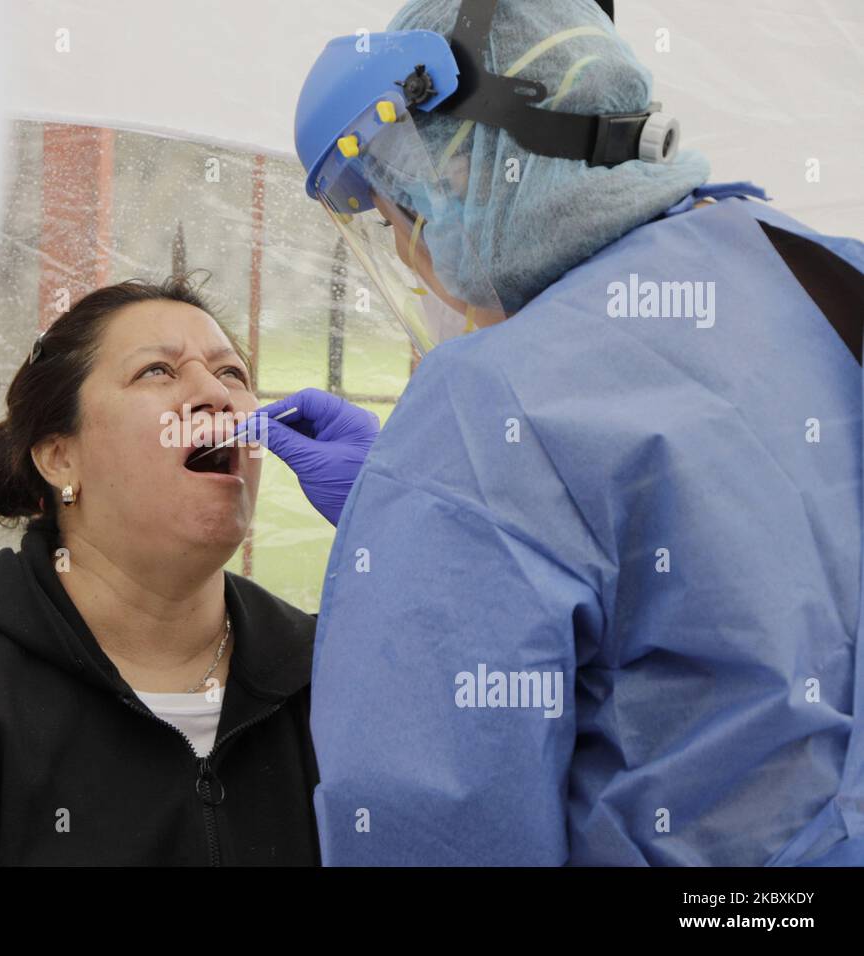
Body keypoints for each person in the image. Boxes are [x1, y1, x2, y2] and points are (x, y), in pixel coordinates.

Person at [251, 0, 864, 864]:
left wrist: (438, 514)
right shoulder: (827, 272)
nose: (406, 256)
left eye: (395, 220)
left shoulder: (487, 405)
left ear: (455, 174)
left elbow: (435, 824)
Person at [0, 276, 321, 866]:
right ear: (59, 456)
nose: (216, 396)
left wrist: (395, 520)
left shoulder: (319, 672)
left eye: (232, 375)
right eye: (157, 371)